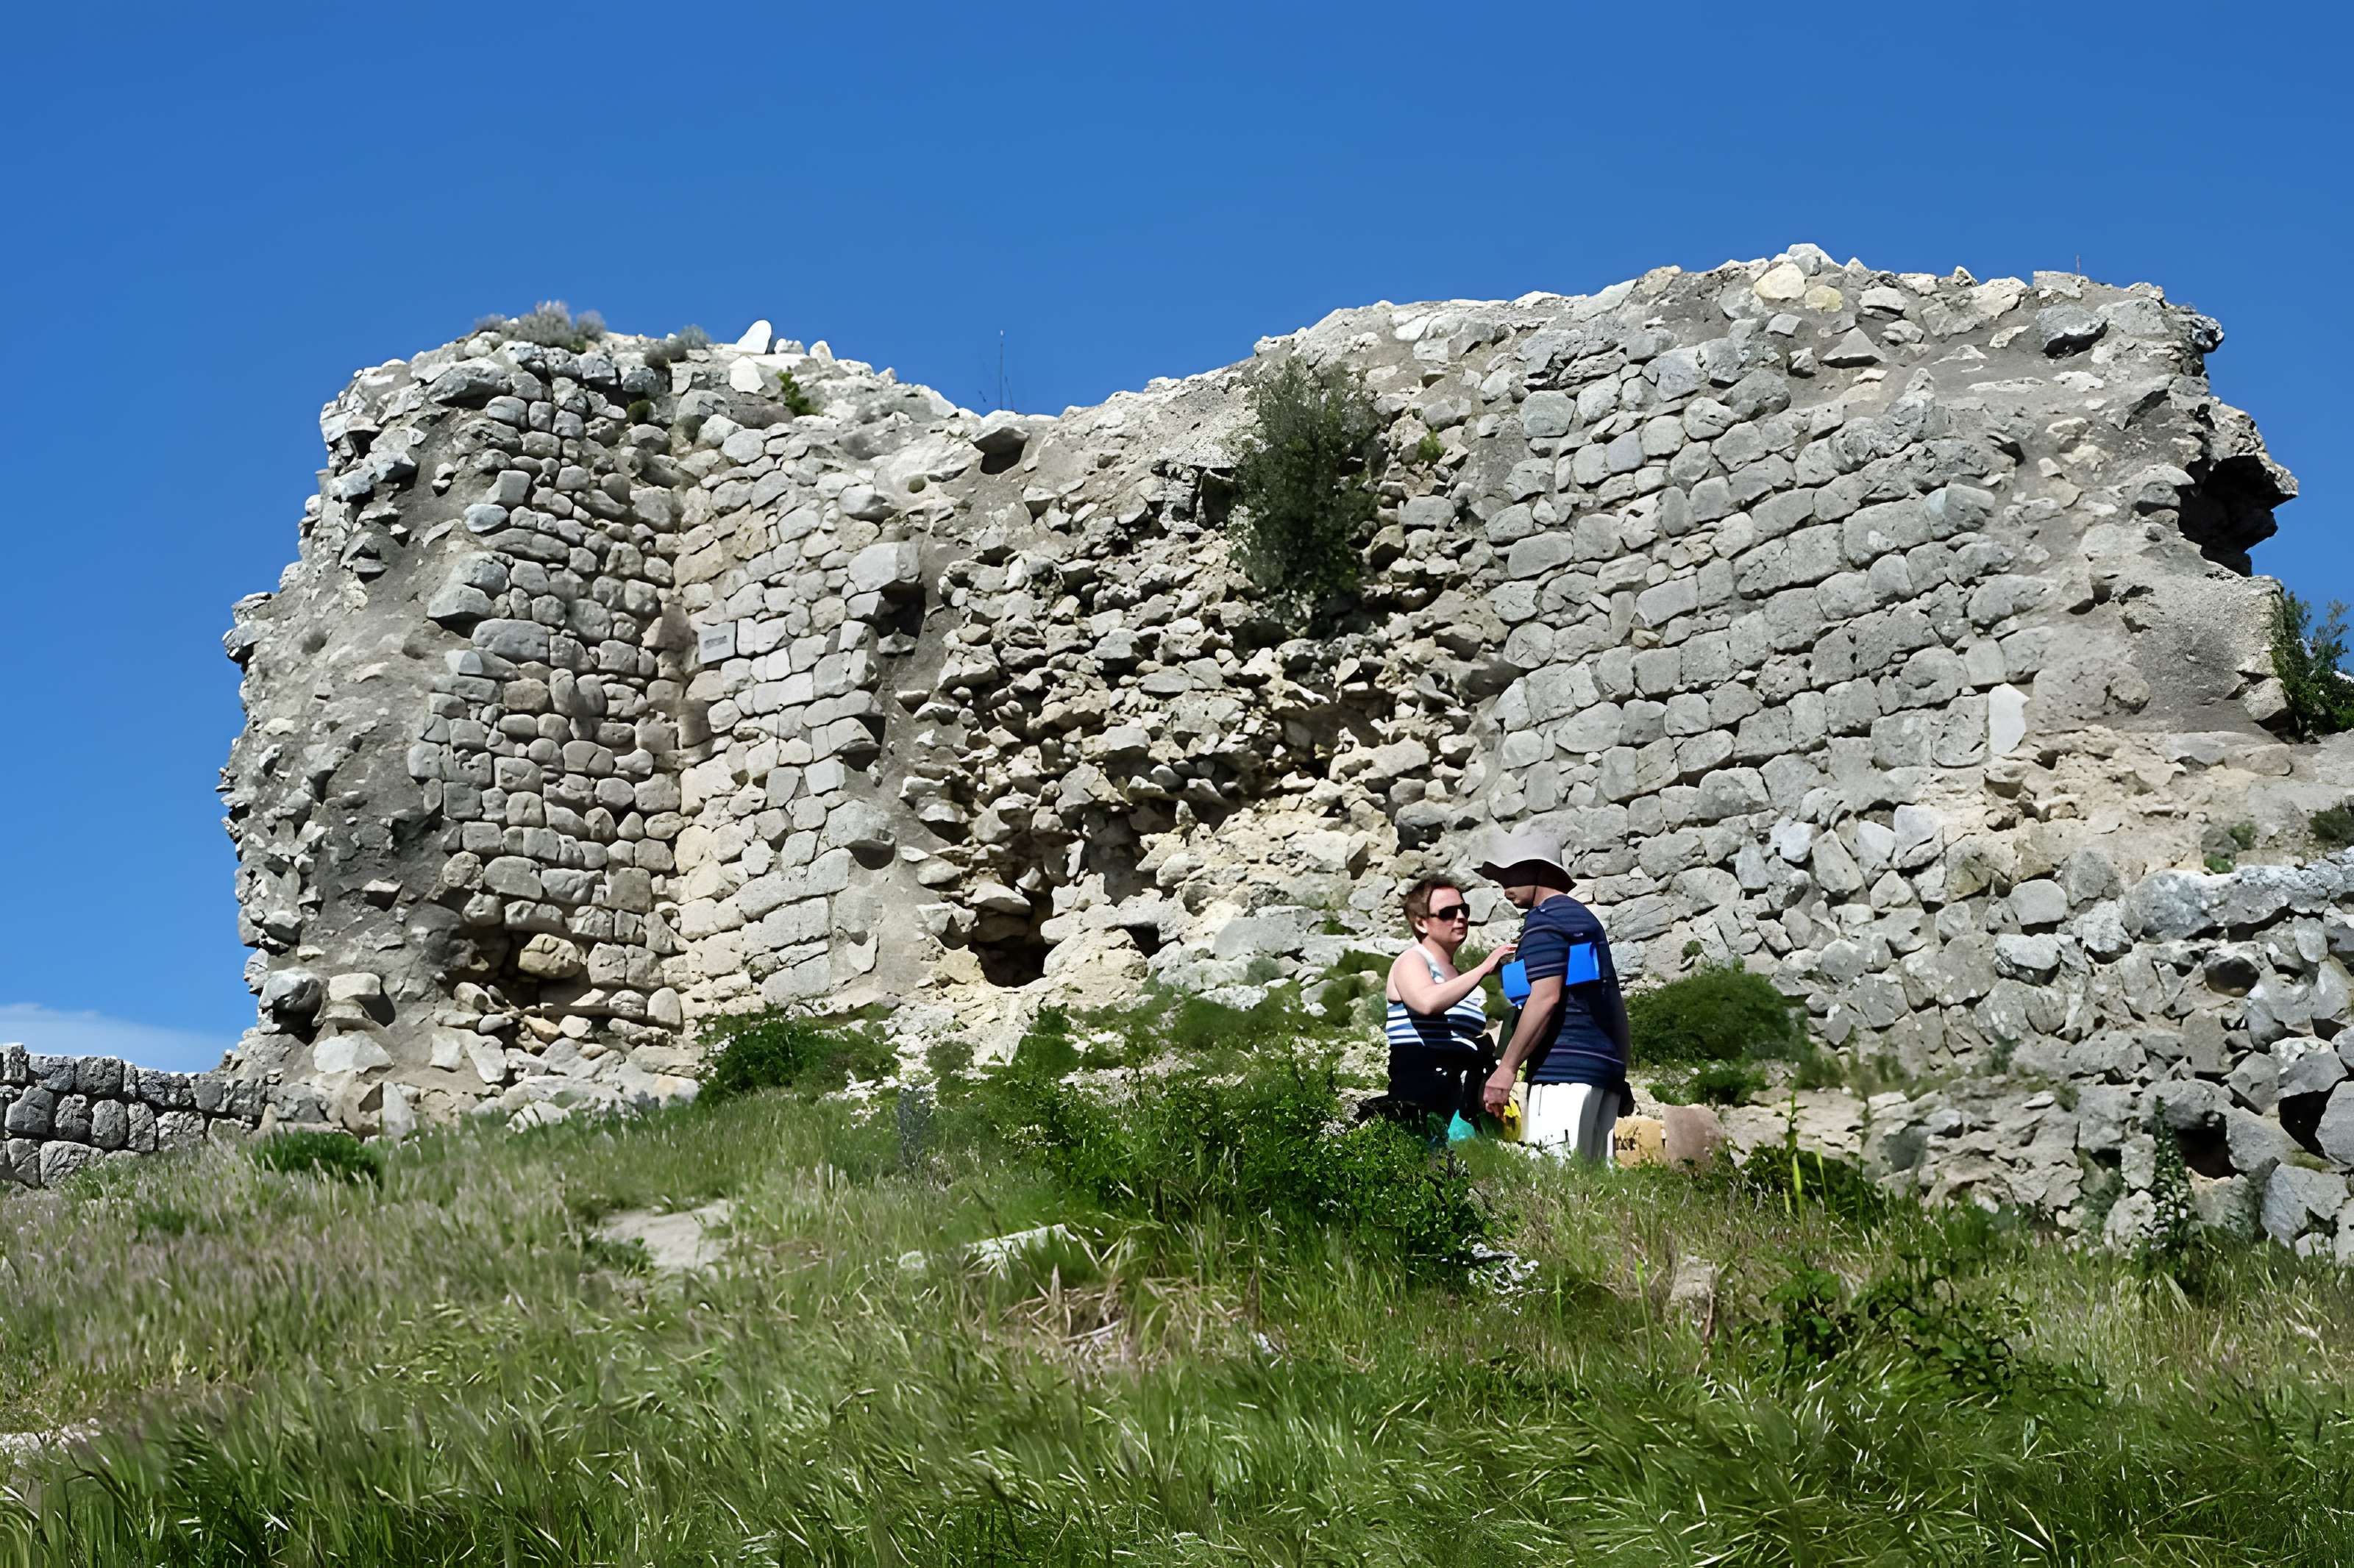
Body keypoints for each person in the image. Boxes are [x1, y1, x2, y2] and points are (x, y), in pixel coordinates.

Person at [1476, 828, 1632, 1163]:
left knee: (1553, 1186)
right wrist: (1619, 1073)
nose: (1504, 890)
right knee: (1590, 1193)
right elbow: (1614, 1006)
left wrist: (1506, 1069)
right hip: (1599, 1072)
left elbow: (1545, 998)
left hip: (1563, 1073)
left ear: (1538, 868)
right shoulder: (1583, 919)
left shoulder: (1545, 920)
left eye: (1509, 874)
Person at [1380, 877, 1516, 1136]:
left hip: (1458, 1095)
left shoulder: (1458, 977)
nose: (1460, 917)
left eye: (1463, 910)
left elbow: (1463, 1037)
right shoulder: (1412, 960)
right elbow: (1426, 1003)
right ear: (1421, 923)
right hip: (1421, 1094)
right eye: (1447, 913)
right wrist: (1485, 968)